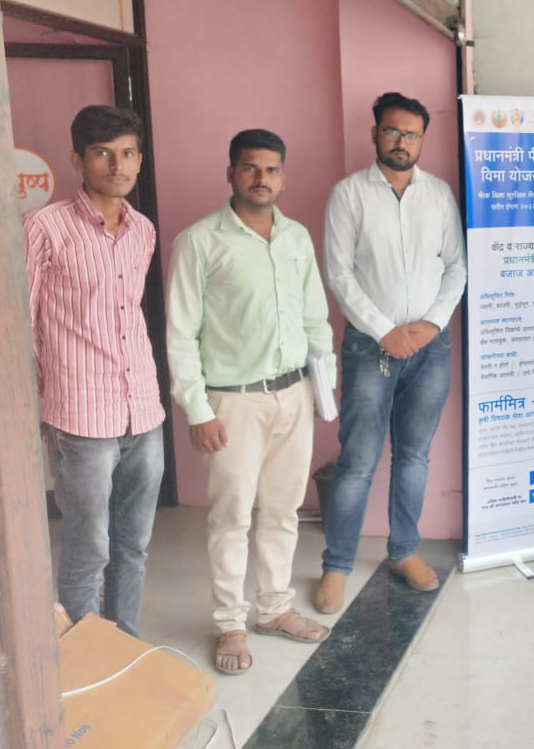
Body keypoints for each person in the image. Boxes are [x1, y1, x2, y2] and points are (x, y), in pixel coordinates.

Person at [166, 129, 335, 675]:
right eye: (250, 168)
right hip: (232, 403)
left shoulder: (296, 238)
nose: (262, 178)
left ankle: (274, 608)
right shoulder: (200, 241)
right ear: (231, 173)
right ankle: (230, 624)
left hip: (294, 393)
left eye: (271, 169)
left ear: (283, 175)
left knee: (284, 510)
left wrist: (323, 389)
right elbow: (180, 334)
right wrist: (198, 410)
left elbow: (315, 318)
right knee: (231, 516)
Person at [316, 92, 466, 611]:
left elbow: (456, 267)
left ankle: (404, 551)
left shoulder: (439, 195)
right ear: (375, 133)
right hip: (370, 347)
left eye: (412, 134)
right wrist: (385, 331)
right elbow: (339, 274)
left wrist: (430, 324)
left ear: (423, 139)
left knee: (415, 456)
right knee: (358, 459)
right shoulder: (348, 195)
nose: (402, 142)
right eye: (393, 131)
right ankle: (337, 565)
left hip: (431, 347)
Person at [23, 105, 165, 638]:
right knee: (89, 547)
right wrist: (43, 406)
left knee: (134, 544)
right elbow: (22, 324)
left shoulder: (142, 230)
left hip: (143, 411)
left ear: (139, 160)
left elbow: (128, 315)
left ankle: (124, 643)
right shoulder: (45, 227)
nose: (117, 165)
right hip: (81, 417)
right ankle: (83, 655)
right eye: (103, 153)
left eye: (127, 153)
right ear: (78, 159)